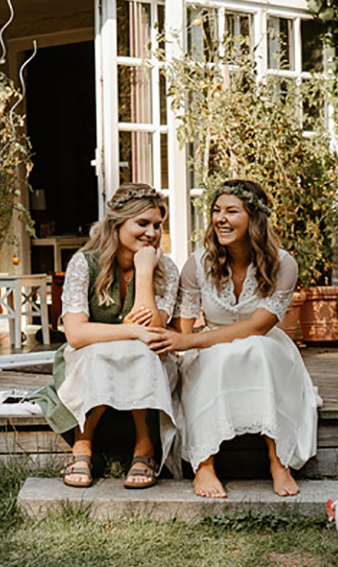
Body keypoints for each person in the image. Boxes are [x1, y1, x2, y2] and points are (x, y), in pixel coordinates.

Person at [150, 179, 321, 501]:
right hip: (208, 348)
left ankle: (278, 460)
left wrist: (192, 342)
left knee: (255, 350)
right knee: (214, 358)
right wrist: (185, 348)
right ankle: (203, 462)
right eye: (216, 211)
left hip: (267, 346)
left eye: (231, 211)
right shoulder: (198, 262)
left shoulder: (283, 264)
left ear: (254, 217)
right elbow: (184, 325)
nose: (220, 219)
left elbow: (259, 326)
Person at [33, 181, 181, 488]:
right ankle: (82, 444)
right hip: (89, 356)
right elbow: (75, 334)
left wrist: (143, 271)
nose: (151, 233)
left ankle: (144, 447)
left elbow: (154, 331)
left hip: (146, 360)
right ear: (116, 224)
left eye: (157, 225)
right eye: (142, 224)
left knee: (142, 351)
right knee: (103, 352)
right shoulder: (84, 263)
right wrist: (131, 331)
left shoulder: (164, 268)